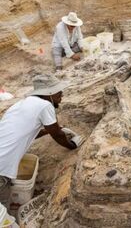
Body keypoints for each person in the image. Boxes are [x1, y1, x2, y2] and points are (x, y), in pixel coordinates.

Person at [0, 74, 81, 208]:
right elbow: (57, 135)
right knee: (2, 209)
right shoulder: (45, 105)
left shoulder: (21, 104)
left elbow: (25, 132)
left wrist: (47, 131)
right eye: (59, 93)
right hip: (1, 167)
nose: (61, 97)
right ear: (49, 93)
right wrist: (71, 145)